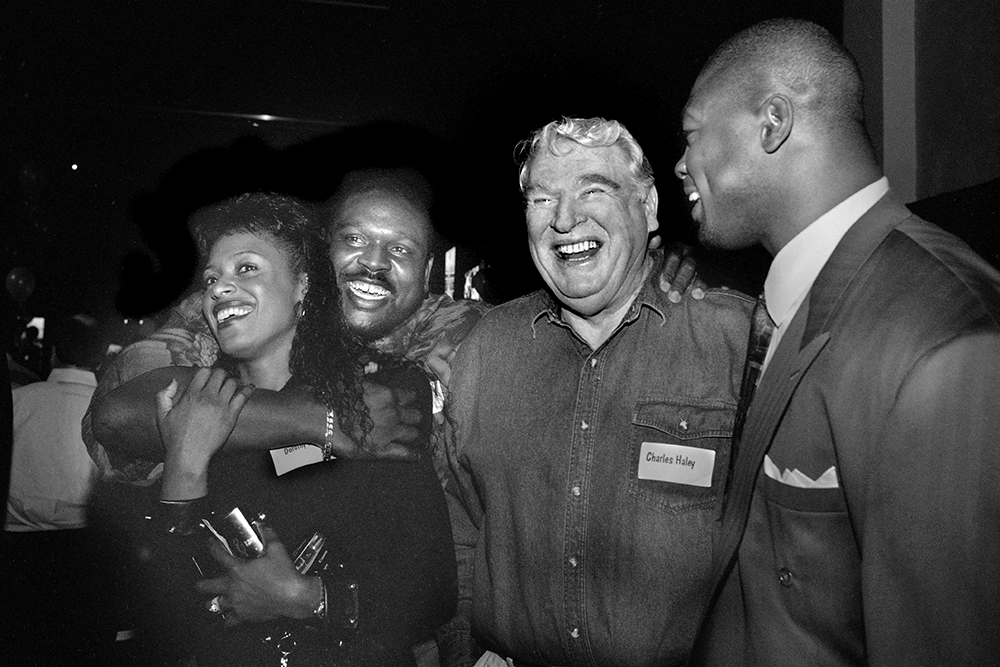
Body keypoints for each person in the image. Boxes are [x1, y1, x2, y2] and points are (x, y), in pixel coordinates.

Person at [674, 18, 1000, 666]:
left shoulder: (946, 339)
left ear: (772, 123)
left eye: (692, 134)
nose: (681, 163)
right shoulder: (798, 299)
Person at [442, 117, 752, 667]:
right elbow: (458, 531)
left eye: (593, 191)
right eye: (543, 199)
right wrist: (464, 650)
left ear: (649, 208)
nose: (564, 219)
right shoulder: (486, 350)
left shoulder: (739, 344)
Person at [144, 192, 455, 666]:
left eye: (247, 268)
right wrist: (184, 468)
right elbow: (172, 607)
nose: (219, 289)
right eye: (211, 278)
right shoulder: (200, 408)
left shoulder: (378, 395)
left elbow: (434, 591)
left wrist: (310, 598)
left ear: (303, 286)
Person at [3, 313, 113, 662]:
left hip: (17, 557)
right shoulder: (114, 410)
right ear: (101, 359)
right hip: (88, 559)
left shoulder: (19, 401)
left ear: (52, 354)